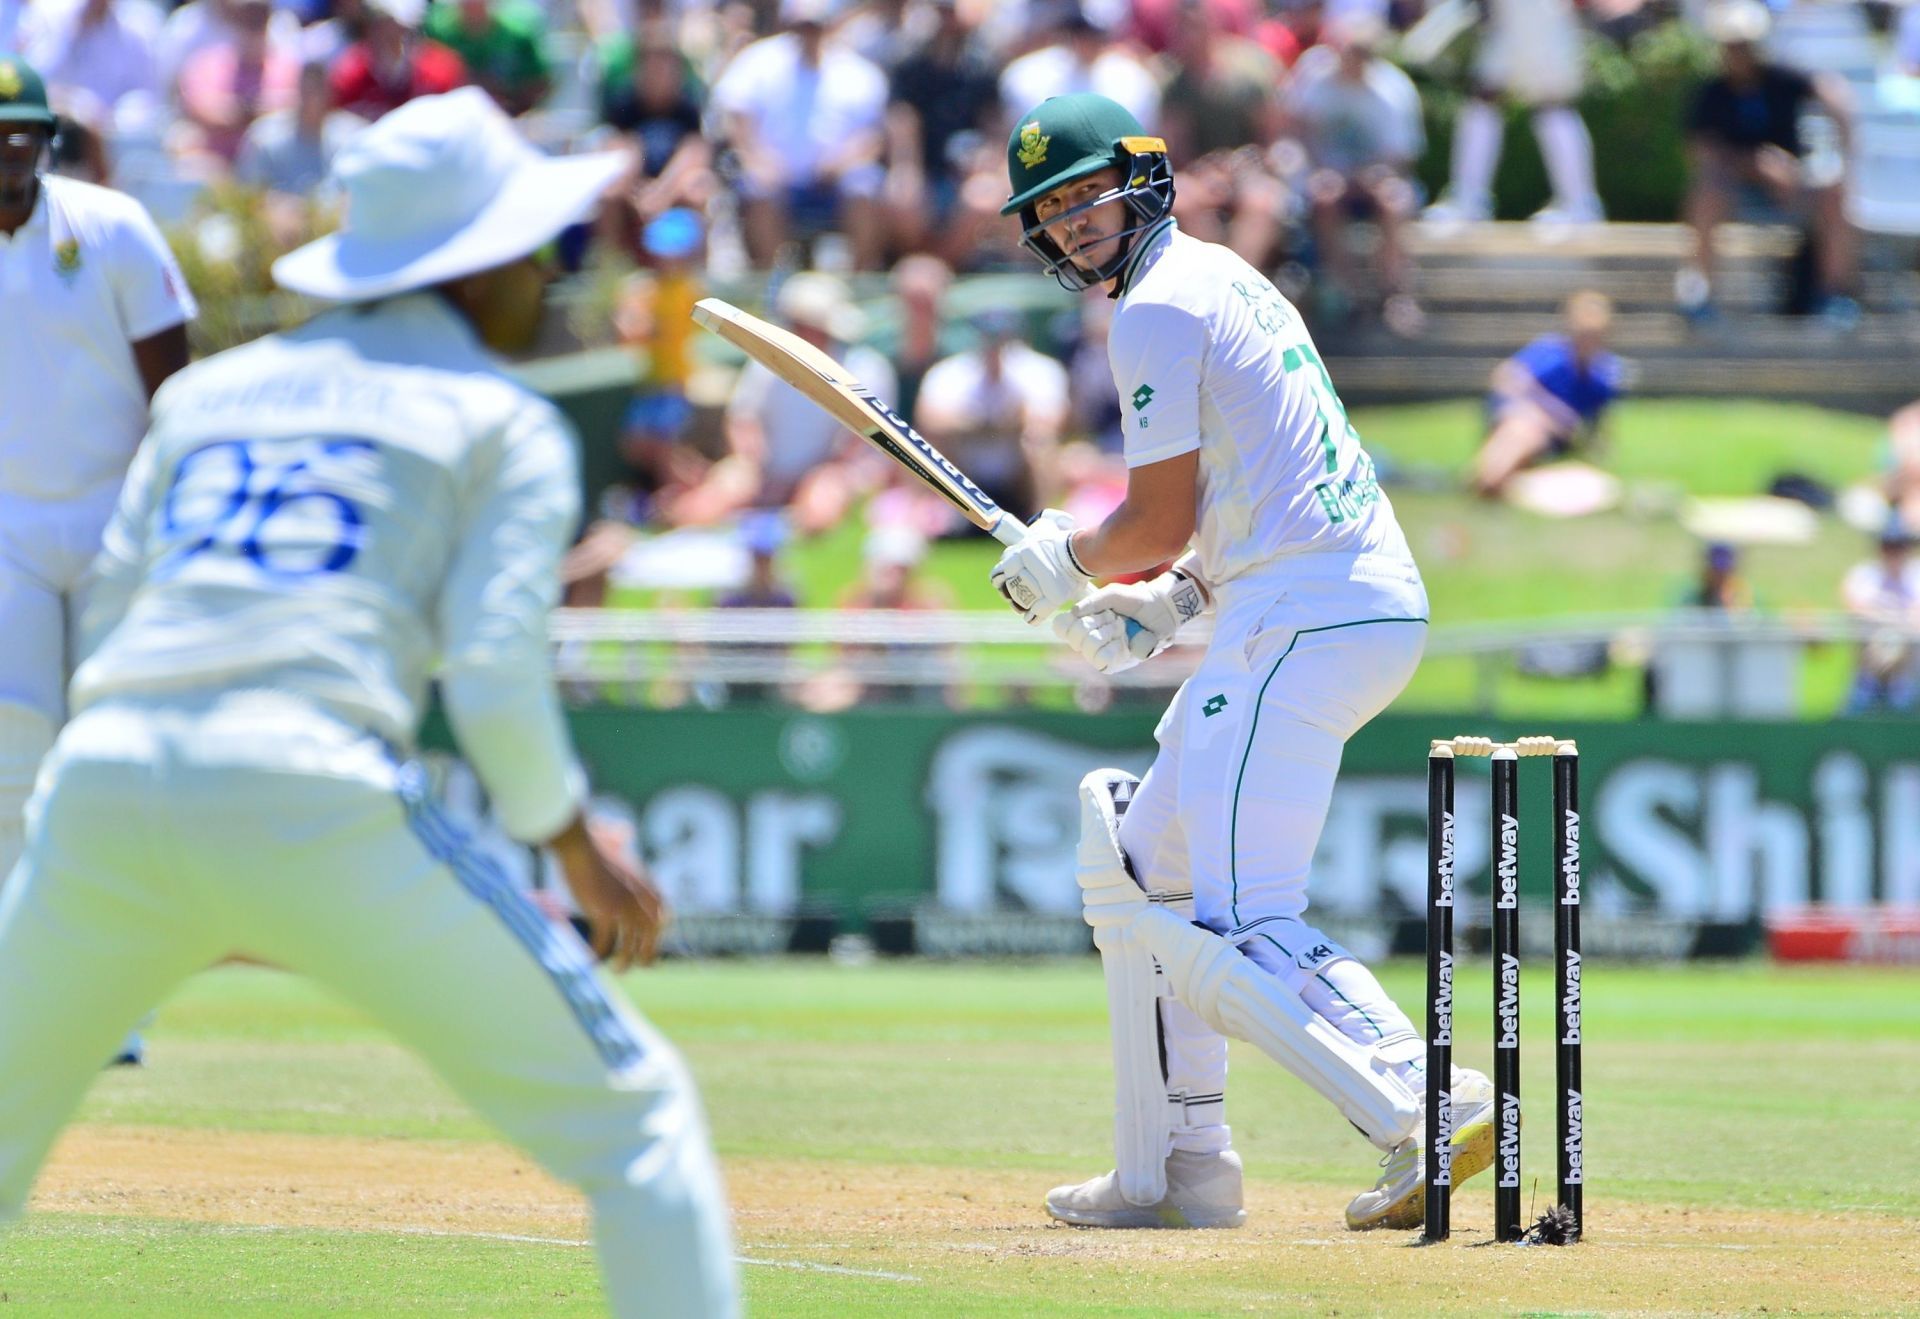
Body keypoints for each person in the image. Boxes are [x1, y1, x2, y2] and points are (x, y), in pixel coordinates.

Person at [0, 87, 738, 1316]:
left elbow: (114, 621)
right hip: (316, 781)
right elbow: (494, 672)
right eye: (538, 251)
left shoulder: (206, 396)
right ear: (482, 264)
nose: (548, 277)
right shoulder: (502, 420)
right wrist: (572, 841)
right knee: (641, 1131)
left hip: (105, 780)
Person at [987, 92, 1496, 1233]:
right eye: (1050, 210)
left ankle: (1424, 1102)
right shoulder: (1226, 277)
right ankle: (1176, 1165)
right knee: (1140, 861)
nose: (1070, 223)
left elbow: (1156, 515)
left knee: (1233, 914)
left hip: (1302, 615)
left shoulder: (1155, 310)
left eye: (1083, 193)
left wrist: (1063, 562)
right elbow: (1253, 484)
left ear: (1142, 175)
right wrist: (1166, 602)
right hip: (1321, 597)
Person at [0, 56, 196, 1068]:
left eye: (26, 131)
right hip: (7, 533)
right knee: (14, 753)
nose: (13, 149)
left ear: (50, 140)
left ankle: (113, 995)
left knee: (111, 759)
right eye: (0, 132)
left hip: (119, 520)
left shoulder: (111, 227)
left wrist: (171, 514)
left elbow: (176, 384)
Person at [1678, 0, 1857, 328]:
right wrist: (1755, 165)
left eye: (1745, 45)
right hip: (1739, 189)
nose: (1739, 53)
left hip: (1793, 185)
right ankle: (1699, 291)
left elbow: (1833, 93)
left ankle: (1833, 295)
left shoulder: (1782, 81)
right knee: (1705, 194)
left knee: (1835, 191)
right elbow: (1700, 154)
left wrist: (1833, 154)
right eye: (1732, 46)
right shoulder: (1711, 93)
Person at [1424, 0, 1604, 226]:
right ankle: (1467, 200)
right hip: (1509, 15)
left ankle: (1580, 204)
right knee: (1484, 99)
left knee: (1552, 104)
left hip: (1539, 13)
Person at [1469, 289, 1624, 498]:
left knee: (1525, 434)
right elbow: (1505, 378)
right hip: (1521, 416)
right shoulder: (1551, 353)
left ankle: (1488, 477)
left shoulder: (1603, 373)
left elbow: (1594, 429)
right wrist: (1535, 410)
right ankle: (1490, 477)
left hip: (1552, 436)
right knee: (1520, 430)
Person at [1841, 517, 1920, 715]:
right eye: (1888, 546)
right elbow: (1854, 605)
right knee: (1856, 708)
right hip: (1869, 661)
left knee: (1904, 707)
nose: (1893, 553)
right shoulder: (1864, 575)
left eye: (1899, 546)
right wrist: (1890, 619)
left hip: (1908, 665)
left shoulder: (1915, 575)